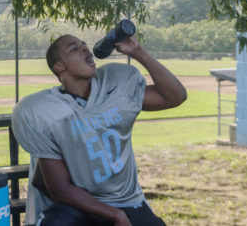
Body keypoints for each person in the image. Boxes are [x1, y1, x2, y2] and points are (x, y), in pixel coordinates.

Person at [12, 33, 187, 226]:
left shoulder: (115, 86)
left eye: (84, 44)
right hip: (76, 202)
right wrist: (115, 215)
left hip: (126, 200)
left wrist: (138, 52)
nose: (85, 48)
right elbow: (59, 189)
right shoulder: (43, 110)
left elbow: (175, 97)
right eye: (74, 48)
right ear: (60, 67)